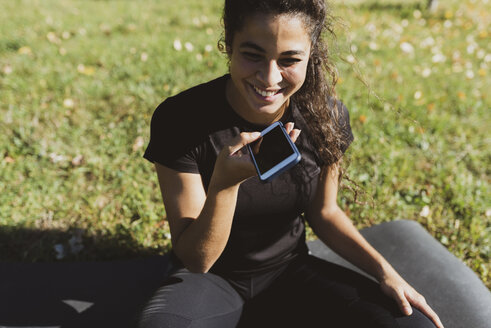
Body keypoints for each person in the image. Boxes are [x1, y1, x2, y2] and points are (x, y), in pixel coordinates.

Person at [139, 0, 444, 327]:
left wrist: (386, 273)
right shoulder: (180, 119)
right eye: (252, 55)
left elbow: (324, 213)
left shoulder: (326, 117)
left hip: (289, 271)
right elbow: (198, 259)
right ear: (229, 43)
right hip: (209, 281)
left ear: (311, 53)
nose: (269, 78)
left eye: (289, 60)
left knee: (413, 323)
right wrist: (225, 186)